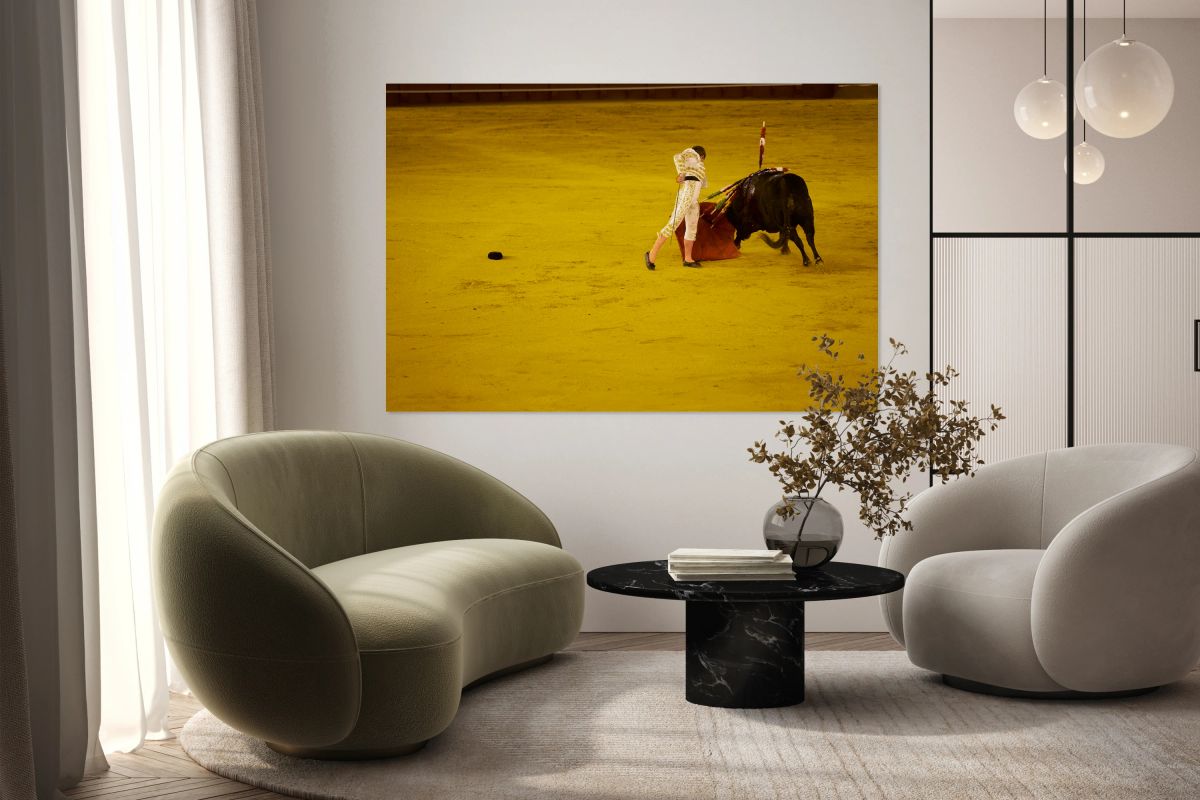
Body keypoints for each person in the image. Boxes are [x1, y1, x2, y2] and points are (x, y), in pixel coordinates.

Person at [645, 145, 706, 270]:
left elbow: (702, 183)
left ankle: (688, 259)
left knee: (691, 228)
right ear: (702, 156)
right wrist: (681, 174)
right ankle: (651, 255)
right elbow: (677, 156)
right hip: (687, 195)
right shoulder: (692, 154)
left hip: (693, 200)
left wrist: (683, 175)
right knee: (673, 223)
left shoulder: (698, 166)